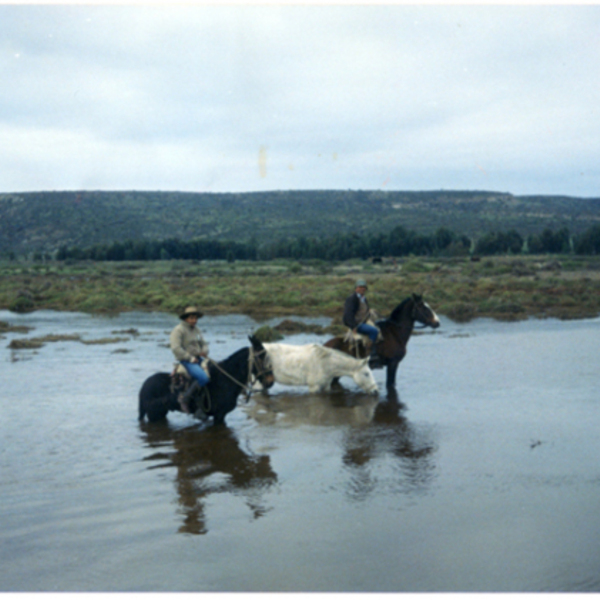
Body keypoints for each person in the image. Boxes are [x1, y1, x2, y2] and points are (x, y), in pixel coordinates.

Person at [170, 306, 210, 415]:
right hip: (186, 360)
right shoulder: (178, 330)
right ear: (186, 318)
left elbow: (203, 343)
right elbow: (176, 348)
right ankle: (185, 398)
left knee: (215, 371)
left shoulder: (196, 330)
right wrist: (190, 358)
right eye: (192, 318)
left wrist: (204, 351)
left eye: (196, 318)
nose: (194, 321)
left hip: (199, 358)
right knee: (203, 378)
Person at [343, 279, 381, 349]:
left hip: (364, 322)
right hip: (358, 324)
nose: (362, 289)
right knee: (374, 331)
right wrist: (353, 326)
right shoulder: (352, 299)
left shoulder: (363, 298)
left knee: (380, 325)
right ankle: (370, 350)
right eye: (360, 287)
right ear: (356, 288)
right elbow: (348, 314)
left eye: (364, 287)